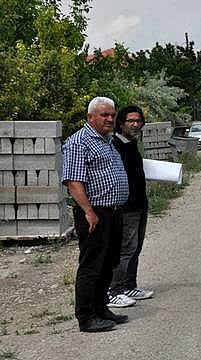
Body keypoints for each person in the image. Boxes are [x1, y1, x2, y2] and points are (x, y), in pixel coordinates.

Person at [62, 97, 130, 332]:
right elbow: (73, 181)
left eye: (112, 114)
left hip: (113, 211)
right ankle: (86, 316)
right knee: (92, 264)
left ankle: (101, 308)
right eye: (104, 115)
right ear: (90, 117)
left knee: (109, 262)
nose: (110, 119)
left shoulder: (107, 140)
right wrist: (88, 211)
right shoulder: (79, 142)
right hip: (94, 212)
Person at [107, 105, 155, 308]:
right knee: (125, 249)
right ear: (121, 123)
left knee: (136, 248)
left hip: (140, 204)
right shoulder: (114, 144)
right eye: (131, 121)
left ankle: (129, 285)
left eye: (138, 121)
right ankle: (114, 291)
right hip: (126, 207)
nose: (136, 125)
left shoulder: (131, 143)